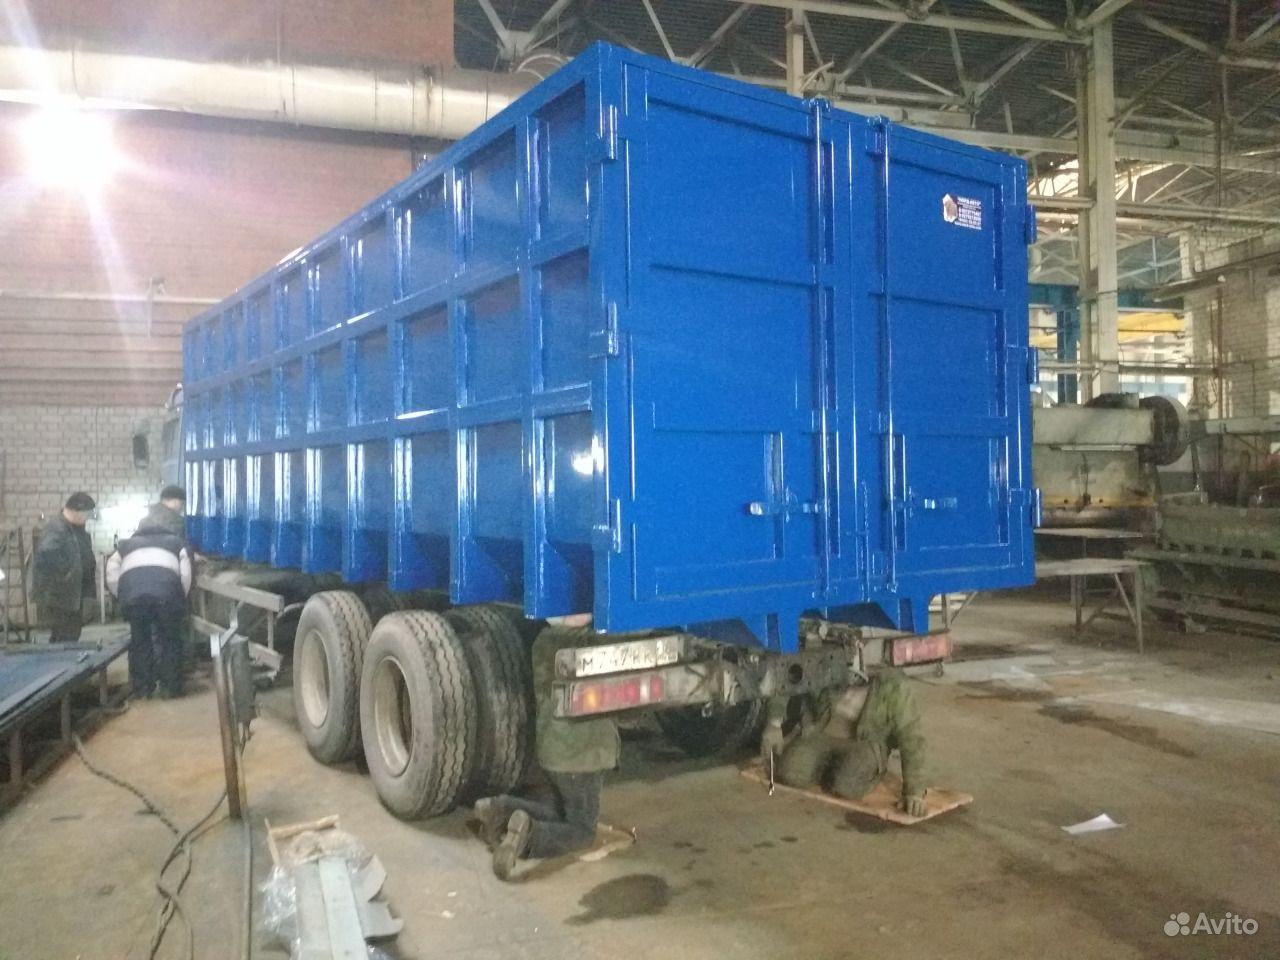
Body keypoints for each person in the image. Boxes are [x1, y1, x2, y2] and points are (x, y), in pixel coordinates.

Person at [476, 625, 620, 881]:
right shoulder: (585, 642)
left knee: (560, 814)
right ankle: (530, 837)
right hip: (584, 755)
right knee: (582, 830)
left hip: (554, 751)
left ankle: (502, 808)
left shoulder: (544, 641)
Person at [763, 668, 928, 817]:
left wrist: (914, 792)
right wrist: (774, 723)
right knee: (789, 773)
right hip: (823, 731)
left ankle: (870, 771)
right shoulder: (829, 658)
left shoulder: (893, 683)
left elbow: (911, 735)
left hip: (865, 743)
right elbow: (789, 671)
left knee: (845, 785)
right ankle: (826, 765)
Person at [106, 517, 193, 699]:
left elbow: (111, 571)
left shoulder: (124, 545)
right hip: (167, 598)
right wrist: (179, 596)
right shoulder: (177, 543)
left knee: (140, 641)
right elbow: (186, 573)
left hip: (135, 601)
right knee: (170, 641)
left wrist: (122, 595)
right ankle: (171, 688)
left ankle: (143, 689)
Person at [32, 492, 97, 643]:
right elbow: (46, 556)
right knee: (64, 637)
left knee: (71, 635)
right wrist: (67, 575)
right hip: (60, 598)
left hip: (73, 596)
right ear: (76, 511)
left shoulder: (76, 529)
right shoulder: (57, 529)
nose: (87, 519)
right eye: (86, 515)